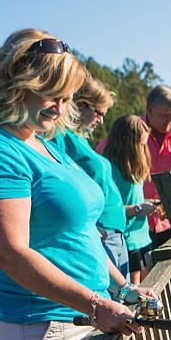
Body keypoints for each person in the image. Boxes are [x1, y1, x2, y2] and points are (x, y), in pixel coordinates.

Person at [0, 28, 154, 340]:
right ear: (17, 85)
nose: (61, 110)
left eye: (67, 99)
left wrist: (122, 287)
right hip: (37, 333)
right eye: (53, 96)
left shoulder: (40, 142)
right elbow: (8, 253)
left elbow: (80, 234)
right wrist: (96, 306)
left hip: (78, 318)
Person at [100, 85, 171, 250]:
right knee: (150, 272)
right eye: (164, 115)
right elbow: (100, 160)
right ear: (150, 110)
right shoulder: (132, 130)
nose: (169, 120)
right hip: (139, 226)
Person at [49, 76, 130, 278]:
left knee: (126, 301)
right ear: (81, 105)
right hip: (102, 234)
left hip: (114, 232)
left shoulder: (81, 139)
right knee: (115, 303)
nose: (101, 119)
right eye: (99, 112)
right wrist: (91, 228)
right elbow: (61, 185)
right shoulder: (60, 136)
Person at [102, 115, 157, 283]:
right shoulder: (110, 169)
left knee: (151, 285)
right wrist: (139, 209)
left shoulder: (132, 167)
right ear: (127, 142)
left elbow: (131, 198)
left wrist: (147, 203)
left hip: (143, 237)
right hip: (127, 241)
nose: (143, 149)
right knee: (135, 291)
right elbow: (108, 209)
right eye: (141, 145)